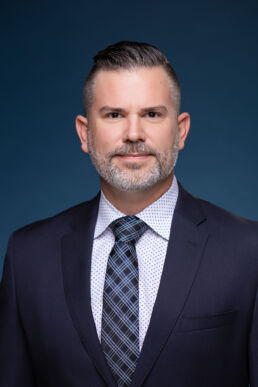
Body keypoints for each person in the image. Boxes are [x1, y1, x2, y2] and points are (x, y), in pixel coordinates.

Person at [0, 41, 257, 387]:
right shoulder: (27, 257)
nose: (134, 134)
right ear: (85, 133)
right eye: (114, 115)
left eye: (152, 114)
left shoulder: (249, 252)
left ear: (180, 131)